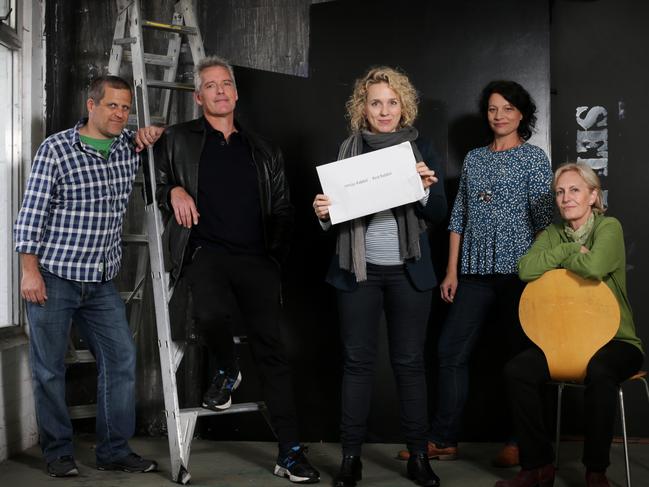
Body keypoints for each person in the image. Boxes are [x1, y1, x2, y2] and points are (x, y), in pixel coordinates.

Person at [154, 55, 320, 484]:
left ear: (236, 92)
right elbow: (150, 177)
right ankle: (227, 368)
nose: (220, 90)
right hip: (205, 252)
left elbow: (283, 207)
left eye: (225, 83)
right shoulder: (177, 139)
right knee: (208, 313)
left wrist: (274, 256)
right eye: (210, 85)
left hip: (257, 259)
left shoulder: (263, 148)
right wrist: (172, 188)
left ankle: (291, 453)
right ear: (198, 97)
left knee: (273, 353)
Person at [14, 75, 163, 477]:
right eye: (112, 105)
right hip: (54, 275)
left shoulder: (125, 146)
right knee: (49, 368)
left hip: (100, 283)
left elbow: (156, 137)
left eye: (126, 108)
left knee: (120, 359)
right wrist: (29, 272)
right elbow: (30, 218)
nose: (119, 113)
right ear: (91, 105)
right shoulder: (57, 150)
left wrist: (149, 133)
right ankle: (58, 452)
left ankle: (113, 450)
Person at [405, 80, 554, 465]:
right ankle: (443, 439)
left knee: (520, 358)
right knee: (450, 351)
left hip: (519, 274)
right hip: (472, 272)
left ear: (522, 114)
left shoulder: (534, 159)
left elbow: (543, 223)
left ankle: (520, 441)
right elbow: (459, 218)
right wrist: (451, 271)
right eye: (492, 109)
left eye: (507, 108)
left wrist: (537, 273)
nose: (499, 116)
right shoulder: (474, 159)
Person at [313, 66, 447, 487]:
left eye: (392, 102)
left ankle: (419, 458)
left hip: (409, 272)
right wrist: (323, 213)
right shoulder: (348, 149)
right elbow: (335, 214)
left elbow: (439, 214)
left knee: (410, 365)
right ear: (363, 108)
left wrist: (425, 190)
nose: (384, 110)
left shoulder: (420, 147)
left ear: (403, 106)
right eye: (376, 103)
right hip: (359, 272)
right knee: (357, 364)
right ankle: (351, 458)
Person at [495, 163, 644, 487]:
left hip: (615, 341)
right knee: (517, 370)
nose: (566, 198)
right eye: (560, 192)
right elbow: (525, 269)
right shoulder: (553, 234)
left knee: (602, 372)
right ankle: (538, 466)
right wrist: (570, 248)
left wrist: (562, 260)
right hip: (562, 341)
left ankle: (595, 471)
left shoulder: (609, 227)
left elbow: (595, 266)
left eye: (574, 190)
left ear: (593, 196)